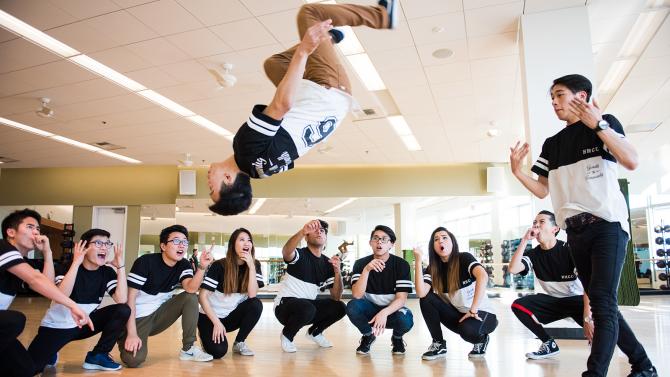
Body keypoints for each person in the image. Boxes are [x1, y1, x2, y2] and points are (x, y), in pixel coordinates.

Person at [510, 74, 657, 377]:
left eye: (559, 95)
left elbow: (631, 161)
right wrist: (516, 171)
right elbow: (542, 190)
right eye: (551, 96)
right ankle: (644, 365)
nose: (553, 102)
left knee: (602, 304)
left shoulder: (605, 124)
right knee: (607, 308)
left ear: (581, 96)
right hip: (575, 233)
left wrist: (599, 125)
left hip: (606, 227)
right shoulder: (553, 144)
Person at [207, 0, 398, 216]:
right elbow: (282, 104)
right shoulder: (244, 148)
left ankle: (329, 39)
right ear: (227, 179)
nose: (208, 182)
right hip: (326, 87)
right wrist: (304, 51)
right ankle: (382, 15)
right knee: (310, 13)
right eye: (211, 188)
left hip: (331, 104)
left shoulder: (259, 171)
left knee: (274, 64)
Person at [0, 209, 92, 377]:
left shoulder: (23, 263)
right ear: (11, 232)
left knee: (26, 368)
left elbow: (47, 287)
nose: (36, 232)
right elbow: (35, 279)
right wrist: (73, 305)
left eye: (38, 229)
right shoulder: (2, 247)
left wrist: (47, 253)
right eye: (29, 227)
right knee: (15, 320)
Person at [28, 228, 130, 372]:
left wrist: (120, 266)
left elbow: (121, 299)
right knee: (31, 368)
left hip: (84, 324)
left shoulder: (106, 272)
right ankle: (51, 351)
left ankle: (98, 355)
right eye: (99, 243)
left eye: (107, 244)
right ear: (84, 247)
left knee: (123, 310)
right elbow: (61, 295)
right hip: (57, 327)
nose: (104, 247)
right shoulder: (67, 267)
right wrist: (76, 263)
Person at [117, 224, 213, 367]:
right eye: (176, 241)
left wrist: (202, 267)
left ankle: (188, 349)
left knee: (190, 297)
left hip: (160, 315)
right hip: (138, 318)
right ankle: (123, 337)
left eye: (184, 241)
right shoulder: (145, 262)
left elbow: (191, 289)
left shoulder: (184, 264)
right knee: (133, 360)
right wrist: (131, 333)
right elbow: (129, 299)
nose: (181, 245)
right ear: (163, 246)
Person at [508, 211, 591, 359]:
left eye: (541, 222)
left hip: (578, 301)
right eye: (535, 223)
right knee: (518, 305)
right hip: (554, 302)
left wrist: (588, 316)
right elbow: (513, 269)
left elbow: (589, 285)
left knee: (606, 329)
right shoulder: (533, 255)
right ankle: (548, 344)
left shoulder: (569, 249)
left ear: (555, 229)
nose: (536, 225)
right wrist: (524, 240)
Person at [413, 227, 498, 360]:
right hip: (460, 315)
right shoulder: (433, 268)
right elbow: (421, 292)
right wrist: (418, 261)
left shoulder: (464, 258)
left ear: (452, 242)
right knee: (426, 299)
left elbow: (483, 276)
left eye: (444, 237)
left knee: (468, 331)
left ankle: (481, 339)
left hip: (482, 314)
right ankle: (438, 343)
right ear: (433, 246)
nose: (441, 241)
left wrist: (473, 310)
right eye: (436, 239)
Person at [274, 219, 345, 353]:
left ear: (325, 238)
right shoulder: (300, 254)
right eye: (315, 230)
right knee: (307, 307)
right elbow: (286, 252)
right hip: (285, 307)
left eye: (322, 231)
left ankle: (315, 332)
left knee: (340, 307)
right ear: (306, 237)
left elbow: (336, 296)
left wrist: (337, 272)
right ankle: (287, 335)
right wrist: (302, 231)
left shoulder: (327, 263)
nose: (319, 231)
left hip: (307, 308)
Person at [346, 225, 413, 355]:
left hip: (392, 311)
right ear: (370, 242)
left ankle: (397, 338)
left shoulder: (401, 265)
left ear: (391, 244)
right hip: (370, 311)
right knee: (352, 306)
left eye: (384, 239)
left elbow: (401, 299)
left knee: (405, 319)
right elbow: (357, 295)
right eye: (375, 238)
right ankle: (368, 335)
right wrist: (366, 270)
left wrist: (384, 313)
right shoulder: (360, 264)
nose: (379, 242)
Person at [198, 228, 264, 358]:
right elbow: (202, 296)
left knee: (256, 304)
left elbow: (252, 296)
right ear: (232, 244)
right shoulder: (219, 266)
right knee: (218, 352)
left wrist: (251, 267)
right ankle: (204, 335)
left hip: (230, 317)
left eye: (249, 240)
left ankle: (239, 342)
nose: (246, 243)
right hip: (210, 317)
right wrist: (216, 322)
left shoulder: (254, 265)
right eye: (242, 239)